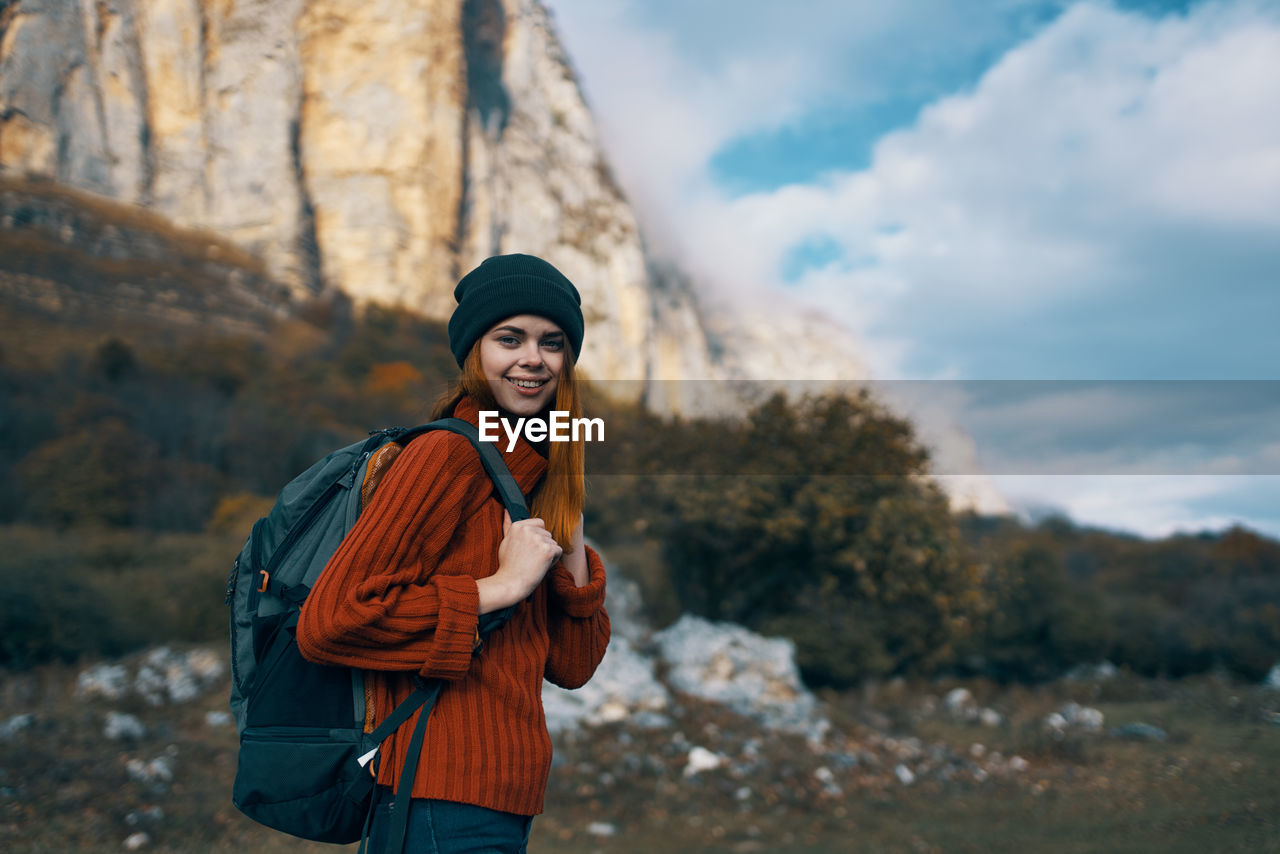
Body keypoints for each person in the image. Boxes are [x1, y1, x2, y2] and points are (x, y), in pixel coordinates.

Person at [296, 254, 611, 853]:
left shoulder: (530, 476)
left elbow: (572, 667)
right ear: (475, 353)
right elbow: (331, 621)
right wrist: (499, 587)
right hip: (437, 794)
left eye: (552, 342)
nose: (532, 359)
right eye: (509, 338)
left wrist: (569, 548)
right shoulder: (447, 457)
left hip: (500, 797)